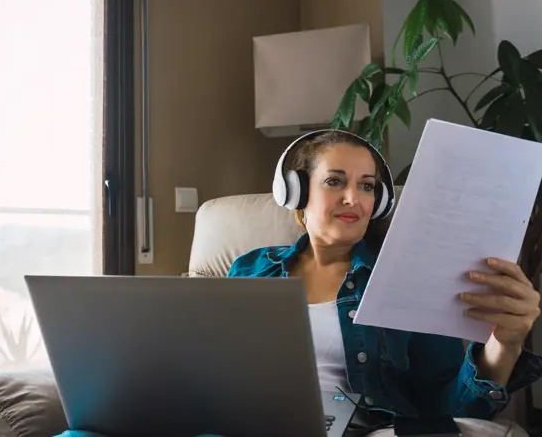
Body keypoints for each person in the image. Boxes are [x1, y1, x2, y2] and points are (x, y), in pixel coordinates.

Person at [228, 129, 542, 420]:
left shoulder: (408, 282)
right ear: (296, 192)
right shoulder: (250, 268)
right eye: (335, 181)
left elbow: (447, 406)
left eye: (366, 186)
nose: (353, 198)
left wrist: (504, 345)